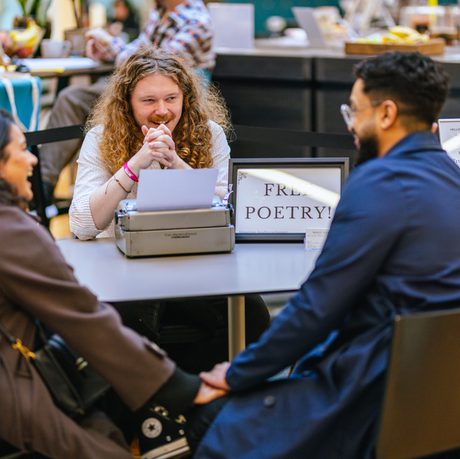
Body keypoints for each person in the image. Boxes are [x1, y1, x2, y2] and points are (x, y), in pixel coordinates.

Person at [188, 52, 460, 458]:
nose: (350, 124)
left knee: (214, 418)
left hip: (377, 393)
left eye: (355, 110)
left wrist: (238, 372)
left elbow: (316, 308)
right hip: (441, 398)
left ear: (386, 114)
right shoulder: (450, 175)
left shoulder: (378, 183)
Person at [0, 108, 226, 458]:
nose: (32, 160)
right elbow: (82, 316)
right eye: (20, 150)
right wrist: (180, 388)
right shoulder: (11, 232)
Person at [69, 46, 269, 373]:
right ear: (127, 102)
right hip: (123, 270)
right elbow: (82, 224)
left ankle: (199, 395)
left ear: (185, 98)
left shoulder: (209, 134)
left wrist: (175, 162)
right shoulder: (100, 138)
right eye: (148, 101)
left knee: (253, 316)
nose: (162, 111)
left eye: (171, 99)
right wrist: (136, 164)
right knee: (130, 322)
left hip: (196, 266)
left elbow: (230, 208)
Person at [40, 0, 214, 201]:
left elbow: (156, 63)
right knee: (72, 98)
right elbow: (138, 54)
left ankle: (43, 187)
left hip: (176, 100)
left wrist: (109, 42)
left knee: (73, 100)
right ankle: (44, 185)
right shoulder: (160, 13)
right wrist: (103, 50)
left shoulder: (196, 21)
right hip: (143, 91)